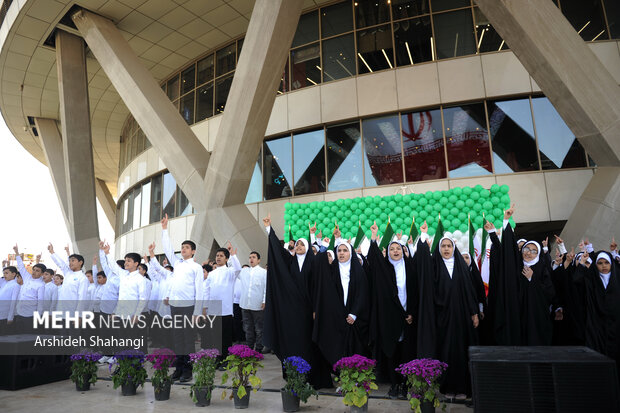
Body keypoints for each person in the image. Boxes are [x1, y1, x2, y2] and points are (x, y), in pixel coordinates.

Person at [262, 213, 332, 389]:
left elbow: (319, 287)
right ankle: (294, 375)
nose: (300, 246)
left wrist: (317, 309)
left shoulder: (315, 263)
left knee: (311, 344)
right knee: (293, 343)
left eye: (303, 244)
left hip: (309, 312)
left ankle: (313, 377)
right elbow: (277, 253)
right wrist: (269, 229)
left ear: (308, 247)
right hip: (292, 314)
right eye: (298, 244)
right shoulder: (289, 261)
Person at [367, 221, 433, 399]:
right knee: (392, 351)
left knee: (407, 351)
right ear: (387, 252)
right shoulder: (384, 268)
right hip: (389, 318)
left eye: (398, 248)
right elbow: (373, 258)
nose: (395, 251)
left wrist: (411, 312)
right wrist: (374, 237)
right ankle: (394, 384)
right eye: (392, 249)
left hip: (408, 318)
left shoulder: (410, 267)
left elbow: (416, 292)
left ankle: (406, 383)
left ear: (403, 251)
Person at [416, 228, 479, 399]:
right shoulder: (434, 266)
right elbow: (422, 263)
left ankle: (463, 388)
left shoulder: (462, 267)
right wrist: (423, 238)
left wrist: (474, 313)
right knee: (446, 351)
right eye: (442, 246)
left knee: (461, 351)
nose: (445, 249)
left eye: (448, 246)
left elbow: (470, 292)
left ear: (453, 248)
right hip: (442, 319)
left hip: (462, 319)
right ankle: (448, 387)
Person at [313, 237, 370, 368]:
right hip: (336, 317)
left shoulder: (358, 271)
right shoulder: (332, 270)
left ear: (351, 253)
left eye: (345, 250)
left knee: (355, 350)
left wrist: (354, 314)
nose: (342, 253)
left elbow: (363, 295)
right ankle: (342, 376)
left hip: (354, 319)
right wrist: (324, 247)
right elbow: (319, 268)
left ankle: (355, 380)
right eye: (339, 250)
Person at [160, 213, 204, 382]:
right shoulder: (177, 264)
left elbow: (199, 290)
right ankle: (178, 369)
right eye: (182, 247)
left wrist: (197, 312)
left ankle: (188, 370)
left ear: (193, 251)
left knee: (188, 340)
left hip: (189, 308)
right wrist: (164, 229)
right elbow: (168, 249)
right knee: (177, 338)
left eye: (187, 247)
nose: (183, 249)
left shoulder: (196, 267)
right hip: (175, 306)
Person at [573, 250, 620, 379]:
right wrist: (582, 263)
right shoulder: (591, 279)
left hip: (615, 326)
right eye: (599, 263)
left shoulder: (617, 279)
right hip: (597, 326)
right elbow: (577, 281)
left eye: (606, 263)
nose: (603, 266)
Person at [203, 242, 242, 362]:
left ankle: (226, 359)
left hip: (225, 311)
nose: (218, 257)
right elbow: (207, 291)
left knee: (225, 337)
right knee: (215, 337)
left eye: (221, 255)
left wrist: (233, 255)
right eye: (217, 255)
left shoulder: (230, 272)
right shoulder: (212, 274)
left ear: (226, 258)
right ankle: (217, 359)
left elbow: (238, 269)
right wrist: (204, 307)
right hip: (213, 310)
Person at [48, 243, 90, 319]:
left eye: (73, 260)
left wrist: (79, 316)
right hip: (62, 313)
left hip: (73, 315)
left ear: (80, 263)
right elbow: (60, 263)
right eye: (69, 261)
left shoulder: (82, 278)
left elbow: (82, 298)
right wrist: (52, 252)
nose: (70, 263)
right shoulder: (68, 273)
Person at [238, 251, 267, 353]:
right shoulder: (245, 271)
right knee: (247, 328)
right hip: (245, 305)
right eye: (250, 257)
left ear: (258, 260)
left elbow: (266, 288)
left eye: (254, 257)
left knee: (259, 329)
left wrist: (264, 301)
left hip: (258, 305)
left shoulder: (264, 272)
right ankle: (249, 348)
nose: (251, 259)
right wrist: (233, 256)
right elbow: (236, 269)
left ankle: (258, 349)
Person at [12, 245, 45, 334]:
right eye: (33, 270)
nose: (34, 272)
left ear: (42, 274)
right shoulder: (27, 277)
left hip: (30, 316)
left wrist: (38, 317)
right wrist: (17, 253)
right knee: (18, 335)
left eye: (37, 271)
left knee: (28, 337)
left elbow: (40, 302)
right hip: (20, 312)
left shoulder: (41, 285)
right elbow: (21, 267)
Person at [0, 266, 20, 333]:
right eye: (4, 273)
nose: (4, 275)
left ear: (13, 274)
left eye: (6, 273)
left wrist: (10, 317)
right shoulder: (4, 284)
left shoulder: (15, 285)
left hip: (6, 316)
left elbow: (13, 302)